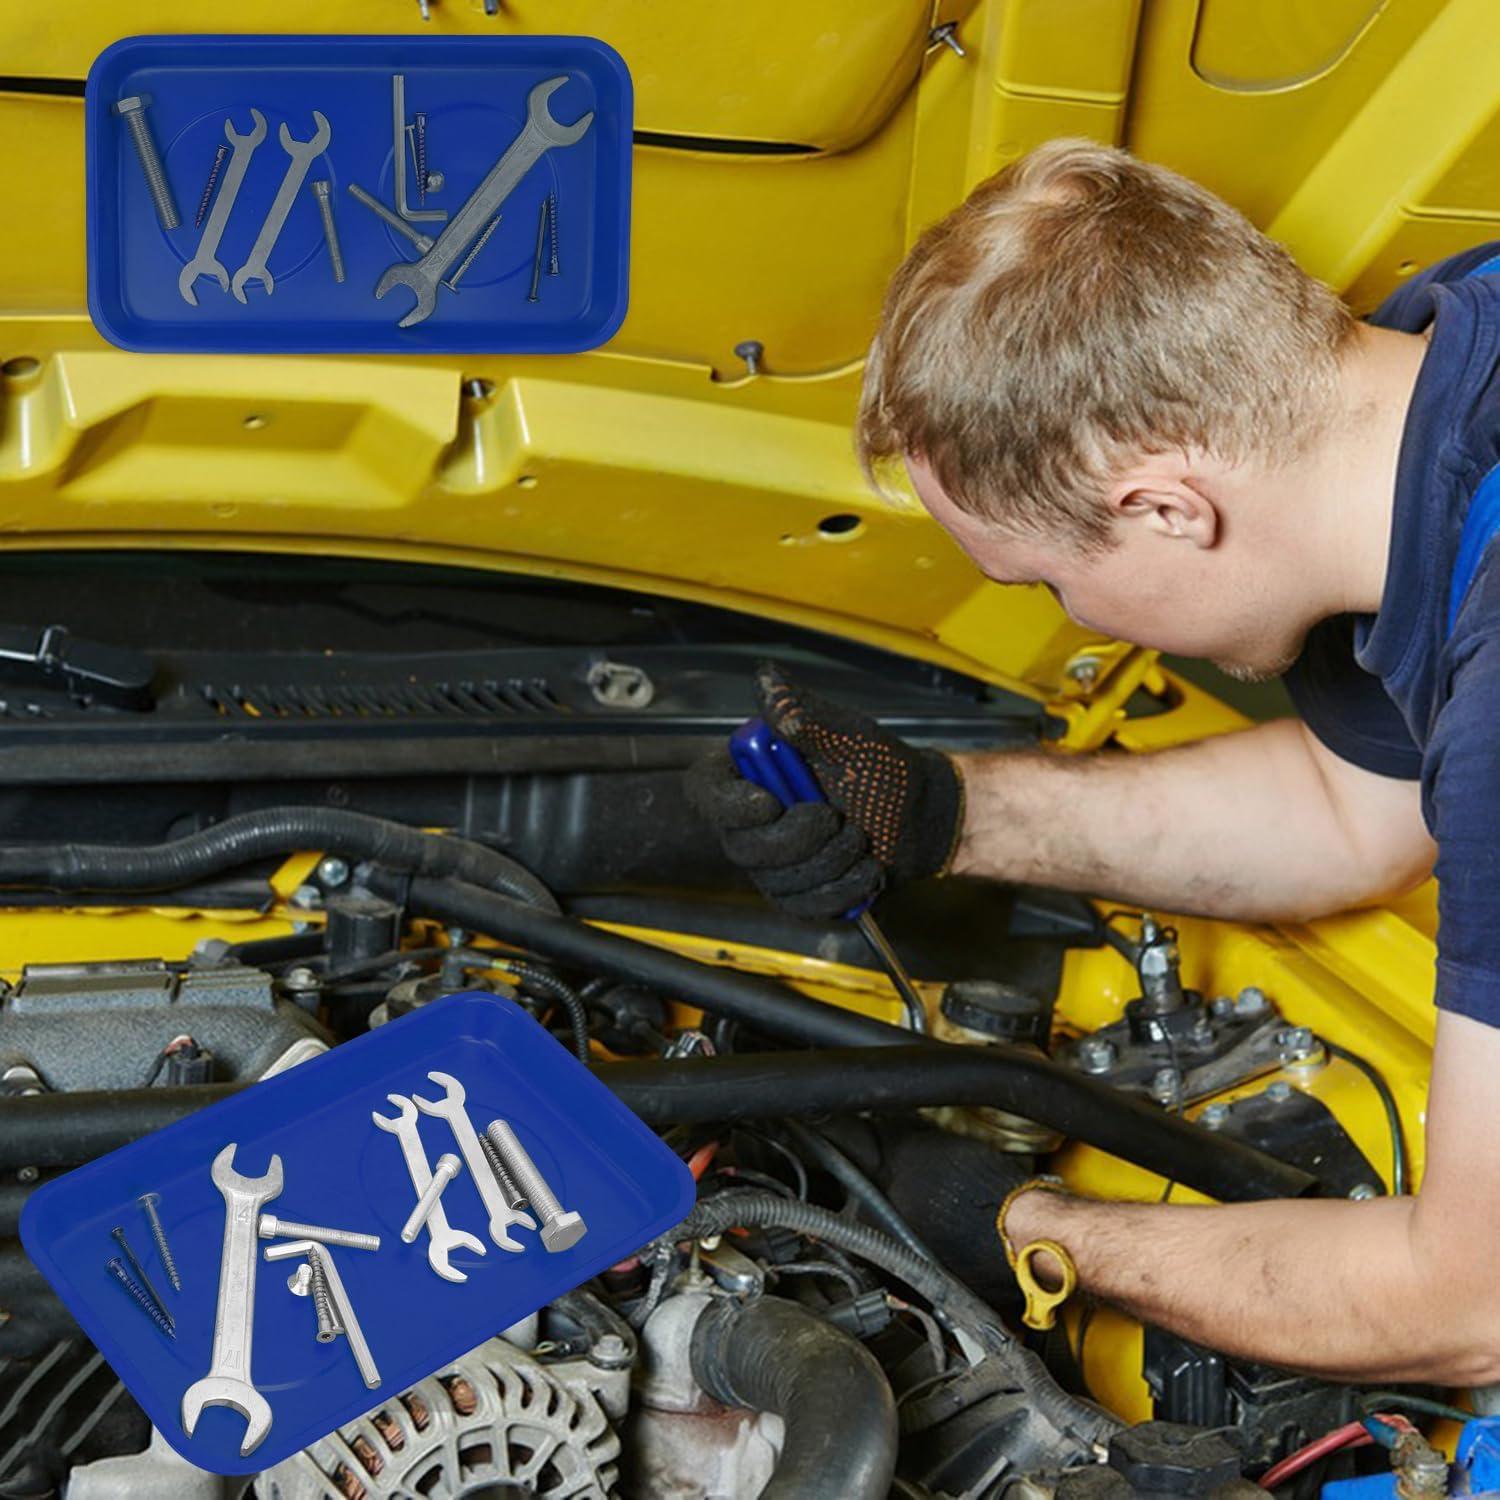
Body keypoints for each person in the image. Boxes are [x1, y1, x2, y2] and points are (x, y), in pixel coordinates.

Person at [686, 139, 1500, 1386]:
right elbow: (1357, 816)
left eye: (1055, 579)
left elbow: (1468, 1302)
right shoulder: (1442, 364)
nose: (1077, 621)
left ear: (1165, 505)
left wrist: (1021, 1226)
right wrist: (940, 814)